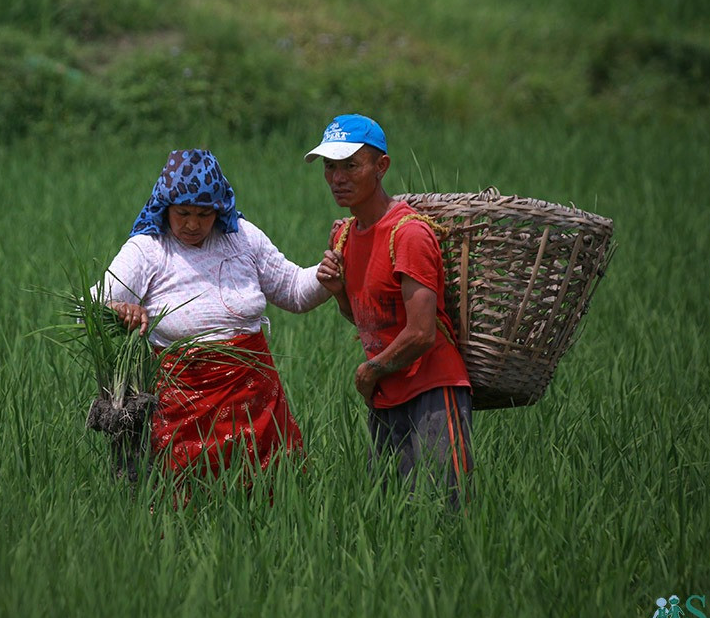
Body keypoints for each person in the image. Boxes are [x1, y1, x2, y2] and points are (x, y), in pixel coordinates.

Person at [102, 148, 330, 482]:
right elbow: (89, 307)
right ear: (165, 208)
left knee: (268, 494)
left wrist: (326, 276)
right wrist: (120, 309)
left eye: (204, 215)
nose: (192, 224)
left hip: (256, 401)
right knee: (185, 498)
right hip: (183, 403)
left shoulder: (242, 237)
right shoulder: (148, 249)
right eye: (183, 213)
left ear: (220, 210)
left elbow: (294, 290)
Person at [308, 114, 473, 508]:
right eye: (331, 167)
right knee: (389, 513)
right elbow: (369, 317)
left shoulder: (409, 233)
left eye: (351, 165)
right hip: (386, 392)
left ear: (381, 167)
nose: (337, 178)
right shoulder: (344, 235)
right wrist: (338, 294)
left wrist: (370, 370)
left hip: (431, 387)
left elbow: (421, 333)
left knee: (441, 510)